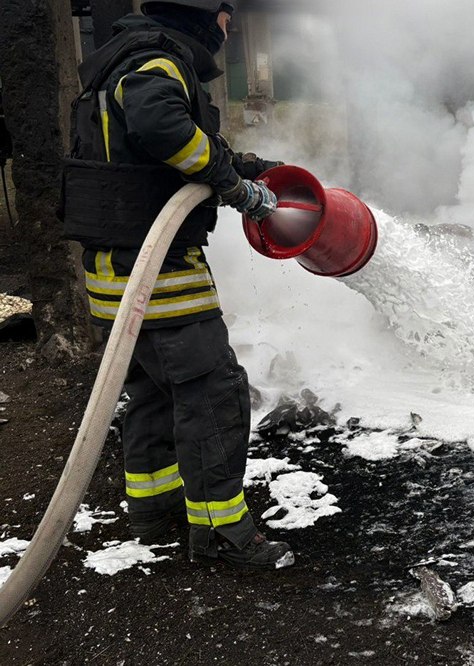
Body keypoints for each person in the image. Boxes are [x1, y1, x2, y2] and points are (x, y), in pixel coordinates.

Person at [60, 0, 292, 569]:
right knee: (213, 395)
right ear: (196, 12)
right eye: (222, 13)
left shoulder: (121, 59)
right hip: (158, 272)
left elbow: (162, 146)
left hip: (117, 271)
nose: (228, 24)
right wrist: (232, 187)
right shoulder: (158, 62)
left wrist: (242, 165)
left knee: (152, 392)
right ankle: (223, 532)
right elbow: (161, 127)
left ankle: (153, 502)